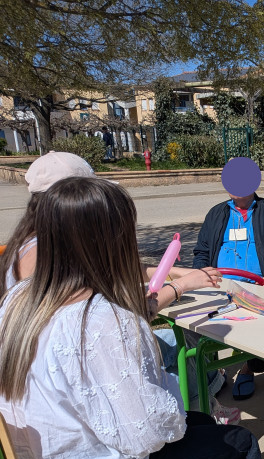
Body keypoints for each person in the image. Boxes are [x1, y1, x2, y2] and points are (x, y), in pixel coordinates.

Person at [0, 177, 264, 459]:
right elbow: (149, 432)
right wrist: (164, 386)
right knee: (240, 448)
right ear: (111, 240)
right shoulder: (101, 321)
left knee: (203, 427)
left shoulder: (17, 300)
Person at [0, 150, 234, 424]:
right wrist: (180, 286)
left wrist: (176, 271)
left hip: (59, 373)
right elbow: (132, 317)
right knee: (186, 348)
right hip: (77, 379)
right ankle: (204, 408)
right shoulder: (45, 257)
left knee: (186, 345)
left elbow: (123, 270)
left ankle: (208, 396)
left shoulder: (38, 244)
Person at [193, 182, 264, 400]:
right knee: (197, 328)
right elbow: (201, 252)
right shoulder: (216, 214)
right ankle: (214, 374)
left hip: (260, 291)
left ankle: (248, 368)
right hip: (220, 290)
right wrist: (202, 273)